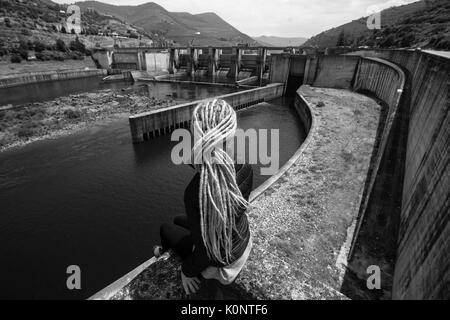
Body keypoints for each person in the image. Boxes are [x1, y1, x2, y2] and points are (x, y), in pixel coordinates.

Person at [154, 98, 253, 296]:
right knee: (179, 219)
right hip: (241, 241)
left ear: (199, 138)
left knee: (167, 228)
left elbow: (206, 254)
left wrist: (186, 271)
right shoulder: (245, 167)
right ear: (231, 135)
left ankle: (163, 253)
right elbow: (218, 171)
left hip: (221, 259)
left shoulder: (195, 192)